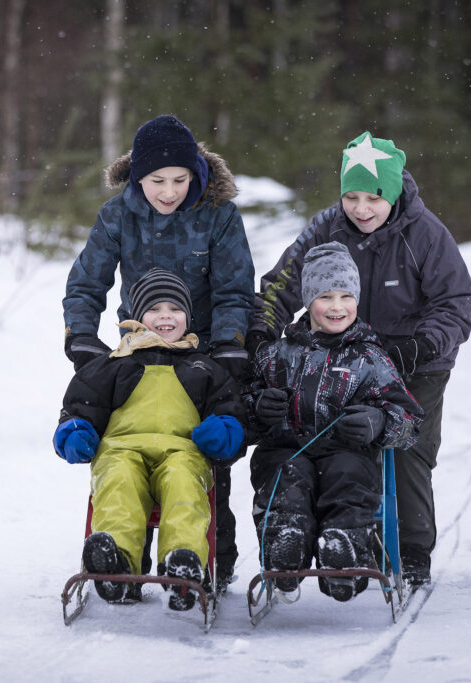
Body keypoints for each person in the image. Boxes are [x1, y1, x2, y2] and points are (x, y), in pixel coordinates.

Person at [247, 131, 471, 587]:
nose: (361, 208)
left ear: (392, 193)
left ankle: (411, 550)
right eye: (351, 196)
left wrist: (420, 346)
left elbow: (455, 301)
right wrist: (260, 335)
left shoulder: (426, 235)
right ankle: (326, 534)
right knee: (325, 446)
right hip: (335, 356)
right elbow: (280, 285)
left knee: (404, 449)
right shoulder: (326, 228)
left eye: (373, 197)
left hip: (414, 361)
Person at [62, 114, 254, 591]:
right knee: (129, 454)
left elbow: (234, 288)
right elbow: (87, 282)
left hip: (203, 348)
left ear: (196, 175)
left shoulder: (219, 215)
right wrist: (81, 337)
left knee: (201, 463)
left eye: (179, 180)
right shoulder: (118, 215)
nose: (168, 192)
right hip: (139, 344)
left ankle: (209, 561)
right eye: (156, 181)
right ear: (137, 177)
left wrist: (230, 345)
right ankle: (123, 562)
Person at [54, 268, 247, 611]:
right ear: (136, 317)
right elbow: (80, 407)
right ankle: (116, 562)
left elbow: (230, 411)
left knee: (185, 486)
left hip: (183, 453)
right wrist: (75, 431)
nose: (165, 317)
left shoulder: (204, 368)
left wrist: (224, 431)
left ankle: (182, 563)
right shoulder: (112, 365)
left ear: (188, 317)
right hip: (122, 450)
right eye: (155, 309)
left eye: (175, 309)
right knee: (118, 483)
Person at [247, 242, 423, 601]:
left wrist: (379, 421)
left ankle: (343, 548)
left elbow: (410, 421)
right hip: (285, 450)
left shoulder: (370, 358)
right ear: (308, 300)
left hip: (347, 454)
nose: (338, 307)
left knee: (348, 479)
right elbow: (239, 408)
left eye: (346, 296)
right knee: (287, 477)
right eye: (326, 296)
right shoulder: (275, 355)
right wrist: (258, 407)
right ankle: (287, 544)